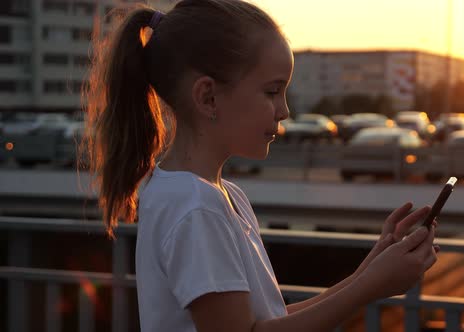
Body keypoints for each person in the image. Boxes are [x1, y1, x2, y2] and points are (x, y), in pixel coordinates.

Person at [81, 0, 438, 331]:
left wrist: (370, 274)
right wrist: (367, 288)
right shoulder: (196, 207)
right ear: (208, 97)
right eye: (271, 91)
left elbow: (269, 321)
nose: (284, 111)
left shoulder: (215, 195)